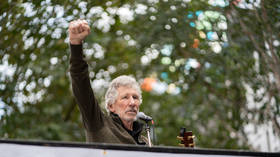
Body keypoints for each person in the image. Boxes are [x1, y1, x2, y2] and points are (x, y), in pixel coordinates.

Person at [68, 19, 147, 145]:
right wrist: (76, 44)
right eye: (125, 98)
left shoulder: (145, 141)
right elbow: (81, 84)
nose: (132, 103)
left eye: (135, 97)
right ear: (111, 106)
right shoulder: (99, 124)